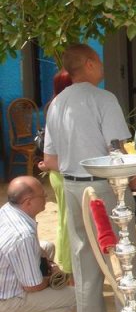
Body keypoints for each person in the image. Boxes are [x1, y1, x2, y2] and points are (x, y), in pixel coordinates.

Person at [42, 43, 136, 312]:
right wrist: (135, 175)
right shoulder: (103, 99)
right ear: (89, 63)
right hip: (105, 189)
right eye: (99, 61)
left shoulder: (56, 104)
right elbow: (116, 150)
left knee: (86, 270)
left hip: (73, 188)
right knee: (126, 263)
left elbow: (50, 159)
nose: (102, 66)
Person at [0, 176, 76, 312]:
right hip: (5, 299)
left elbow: (37, 248)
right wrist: (54, 278)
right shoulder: (23, 235)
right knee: (75, 297)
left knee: (47, 247)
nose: (46, 197)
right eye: (42, 195)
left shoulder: (8, 210)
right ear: (28, 202)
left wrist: (50, 265)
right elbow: (32, 286)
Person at [37, 70, 74, 274]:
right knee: (68, 223)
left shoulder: (56, 106)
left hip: (58, 171)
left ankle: (70, 268)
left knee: (66, 221)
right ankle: (68, 270)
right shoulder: (61, 108)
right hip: (63, 172)